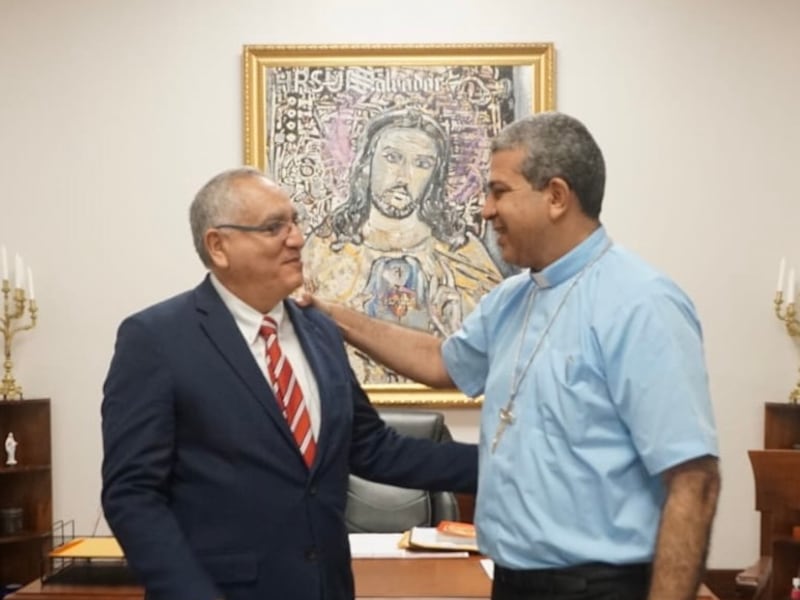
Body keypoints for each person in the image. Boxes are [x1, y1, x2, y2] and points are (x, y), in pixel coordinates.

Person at [305, 112, 721, 600]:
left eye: (499, 191)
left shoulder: (641, 303)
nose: (485, 210)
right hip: (512, 578)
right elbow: (442, 363)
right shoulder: (511, 298)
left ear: (557, 197)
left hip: (601, 585)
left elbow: (694, 480)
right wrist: (330, 316)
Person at [100, 167, 478, 600]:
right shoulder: (157, 339)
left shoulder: (318, 329)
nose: (297, 239)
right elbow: (132, 494)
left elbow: (372, 448)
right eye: (274, 227)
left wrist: (507, 463)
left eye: (295, 222)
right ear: (218, 245)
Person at [303, 107, 504, 382]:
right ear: (366, 163)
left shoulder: (461, 250)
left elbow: (500, 344)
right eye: (393, 158)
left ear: (436, 176)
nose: (404, 176)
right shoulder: (326, 247)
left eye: (422, 164)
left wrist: (455, 323)